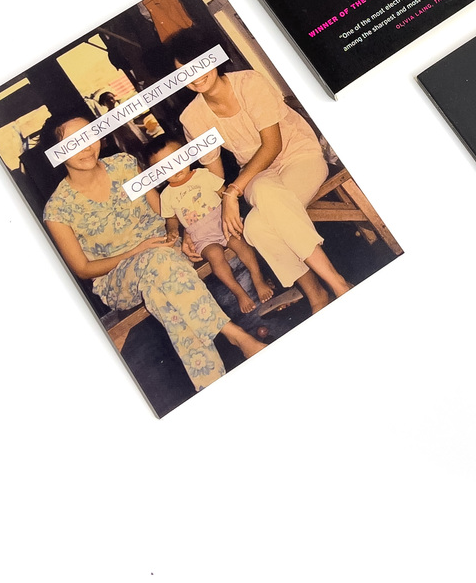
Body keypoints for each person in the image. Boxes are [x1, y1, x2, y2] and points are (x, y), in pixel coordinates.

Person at [42, 115, 265, 391]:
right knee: (158, 262)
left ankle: (210, 383)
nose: (86, 147)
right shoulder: (58, 209)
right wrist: (136, 251)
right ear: (56, 152)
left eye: (90, 136)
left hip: (166, 252)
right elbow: (83, 269)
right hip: (118, 279)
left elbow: (164, 210)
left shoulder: (124, 165)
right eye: (73, 143)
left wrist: (185, 233)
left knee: (160, 289)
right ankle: (234, 333)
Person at [169, 28, 352, 314]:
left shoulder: (249, 83)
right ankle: (325, 289)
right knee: (263, 200)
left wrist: (233, 192)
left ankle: (328, 289)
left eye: (200, 64)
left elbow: (272, 145)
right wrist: (196, 226)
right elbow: (214, 178)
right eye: (184, 72)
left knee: (257, 225)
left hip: (299, 156)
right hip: (255, 175)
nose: (194, 76)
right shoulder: (192, 117)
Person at [149, 139, 275, 315]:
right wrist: (172, 230)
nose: (174, 169)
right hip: (202, 236)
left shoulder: (203, 175)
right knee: (215, 256)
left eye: (176, 159)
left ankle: (257, 277)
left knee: (240, 243)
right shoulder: (166, 195)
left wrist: (233, 207)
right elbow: (171, 218)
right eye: (165, 168)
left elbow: (224, 193)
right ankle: (239, 292)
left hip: (222, 221)